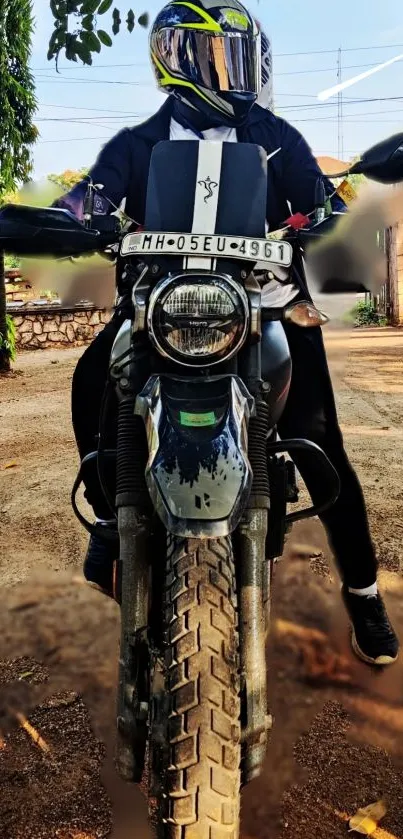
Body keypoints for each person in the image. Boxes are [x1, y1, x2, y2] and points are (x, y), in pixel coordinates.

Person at [54, 0, 398, 667]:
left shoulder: (274, 136)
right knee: (91, 379)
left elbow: (318, 203)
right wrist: (80, 214)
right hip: (164, 303)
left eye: (238, 58)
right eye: (217, 57)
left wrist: (318, 214)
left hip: (266, 304)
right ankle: (107, 514)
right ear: (175, 58)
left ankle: (362, 591)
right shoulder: (137, 143)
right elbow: (89, 197)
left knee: (319, 438)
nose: (232, 73)